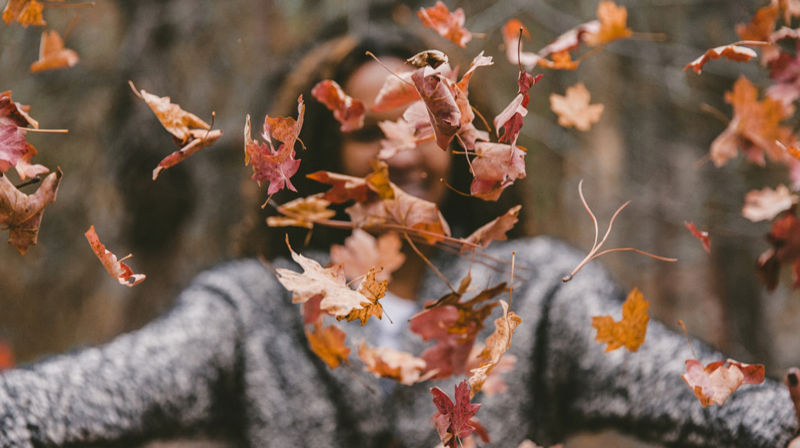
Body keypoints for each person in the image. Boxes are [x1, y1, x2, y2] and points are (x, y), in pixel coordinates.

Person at [0, 26, 798, 448]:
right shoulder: (252, 313)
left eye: (423, 123)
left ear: (457, 143)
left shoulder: (537, 295)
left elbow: (689, 388)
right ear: (319, 162)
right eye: (366, 133)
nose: (399, 151)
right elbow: (88, 393)